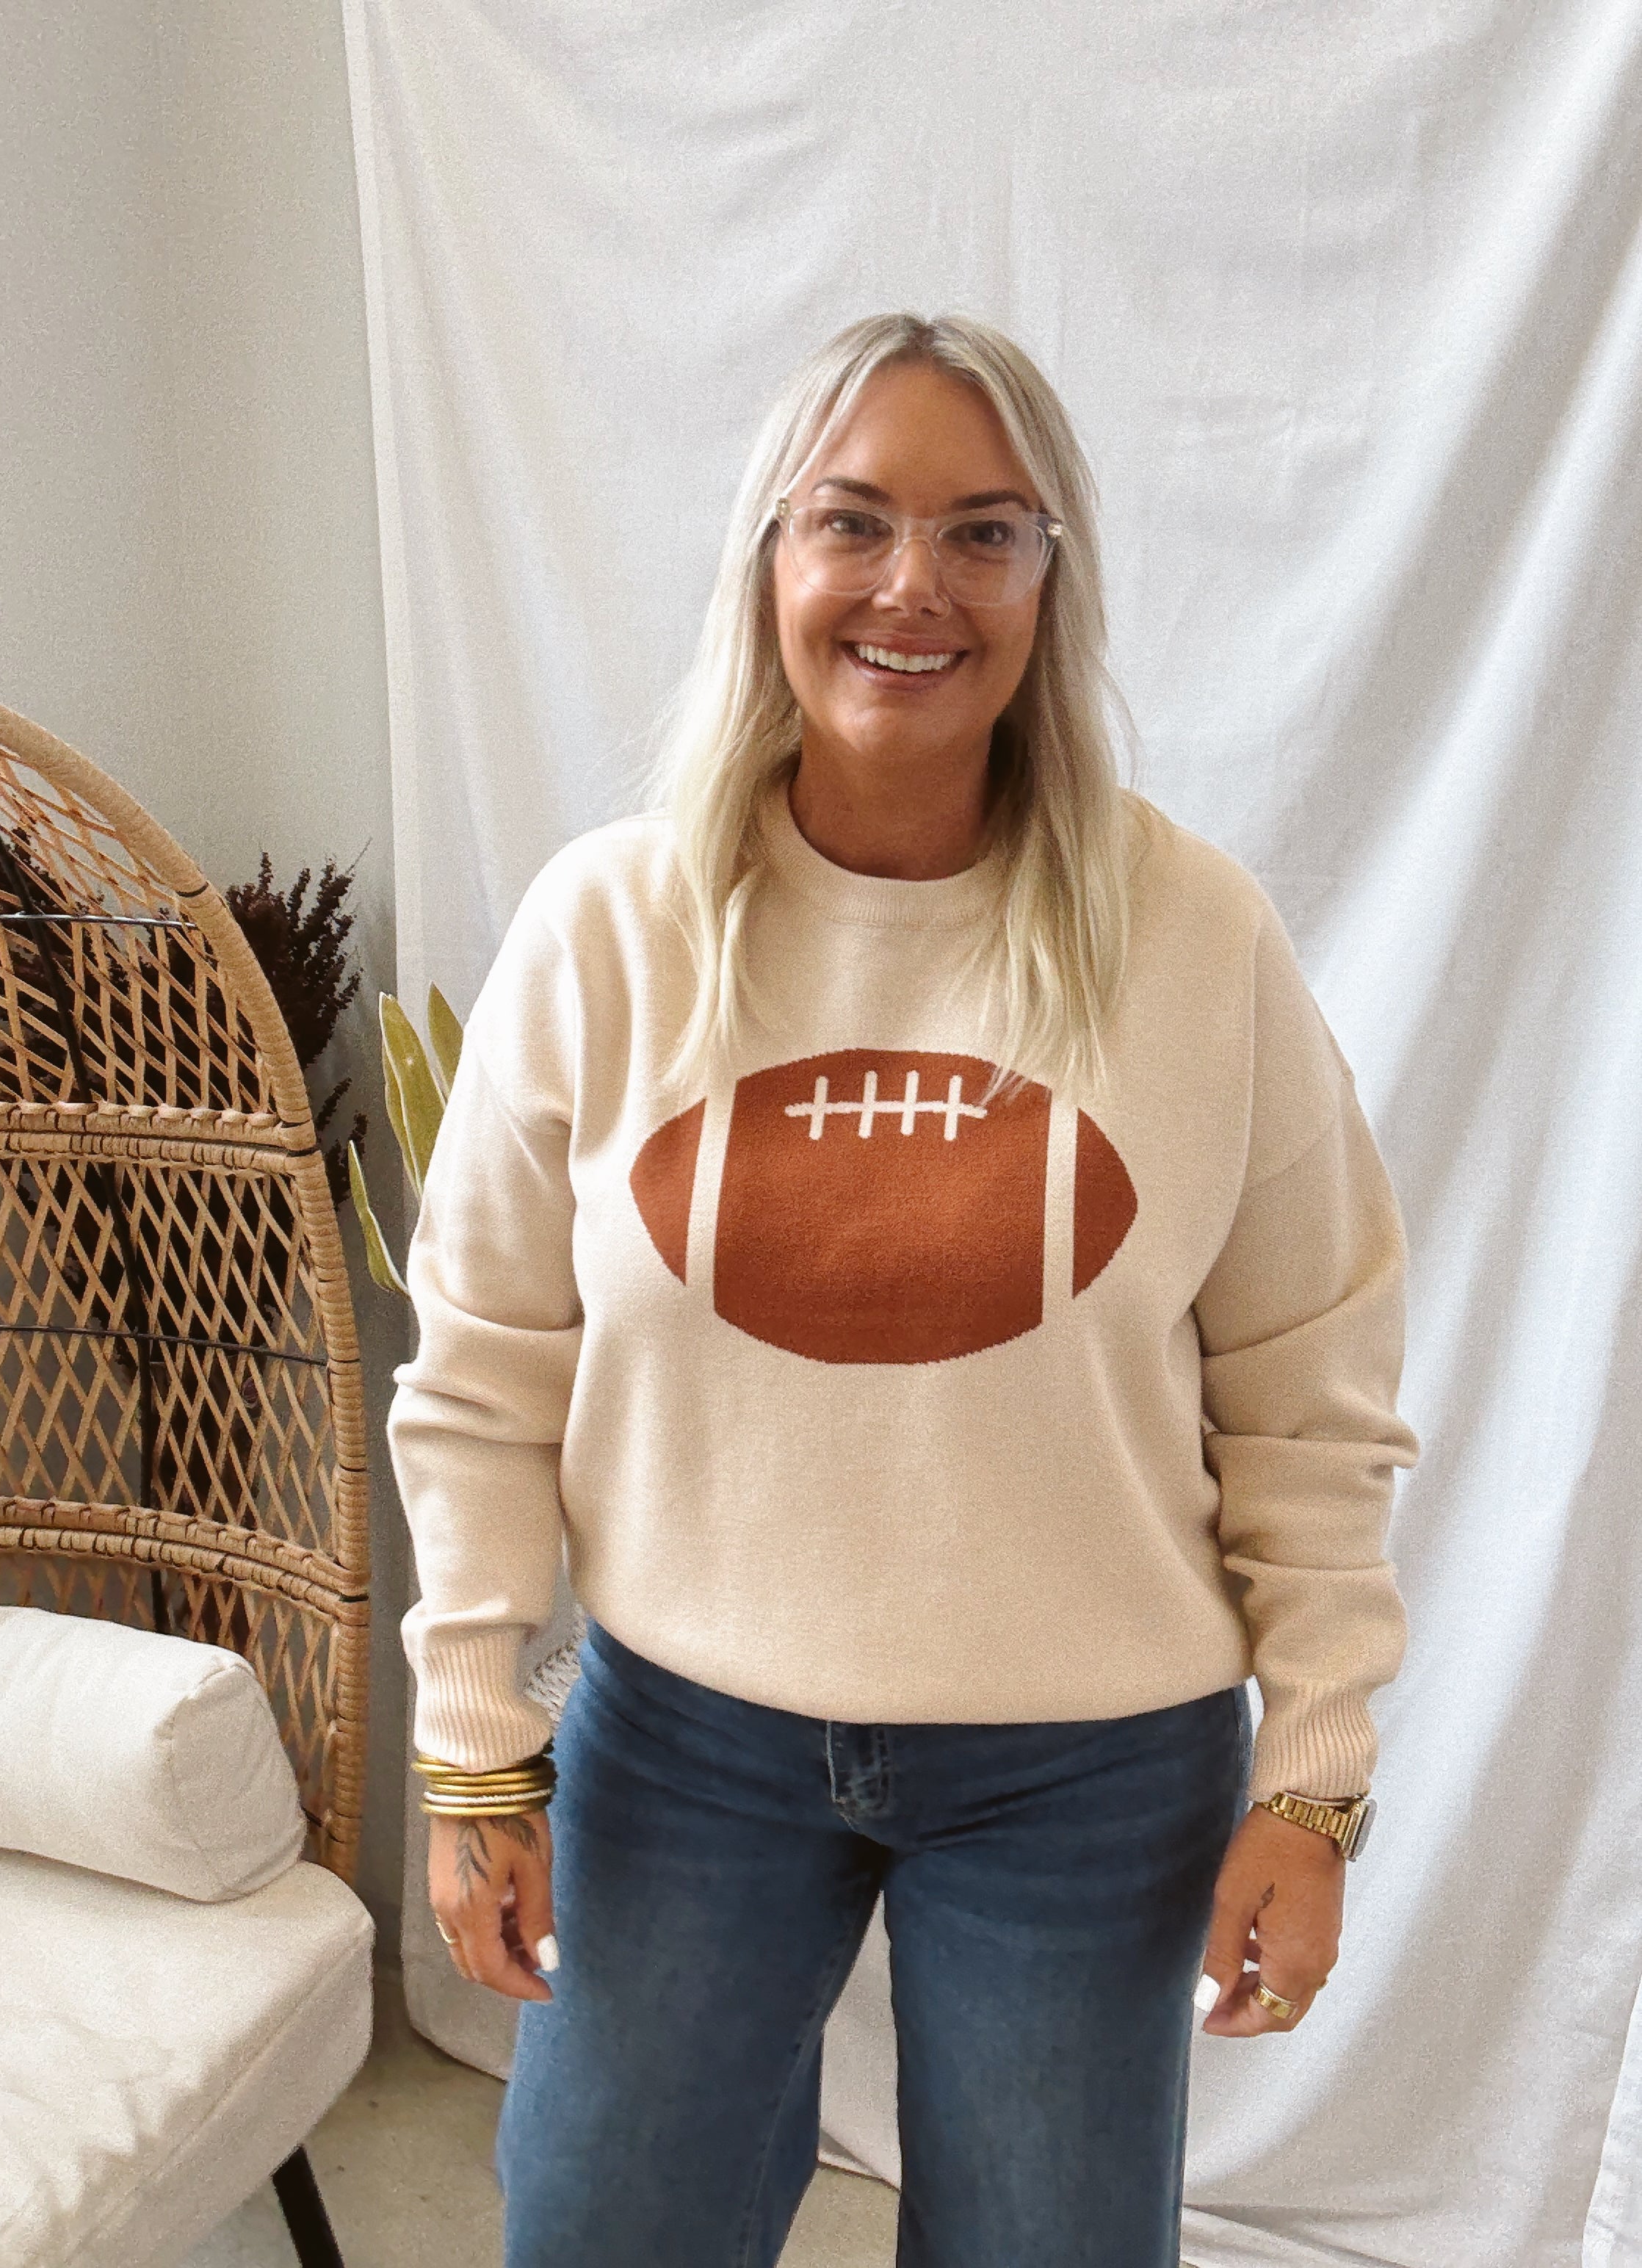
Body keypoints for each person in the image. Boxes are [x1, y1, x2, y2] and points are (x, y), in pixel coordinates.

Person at [386, 310, 1419, 2268]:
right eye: (851, 521)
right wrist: (472, 1734)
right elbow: (486, 1368)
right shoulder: (610, 929)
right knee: (600, 2234)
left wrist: (1312, 1781)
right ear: (767, 559)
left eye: (983, 532)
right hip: (683, 1742)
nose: (910, 587)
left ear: (1050, 581)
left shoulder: (1192, 938)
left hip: (1090, 1769)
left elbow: (1312, 1386)